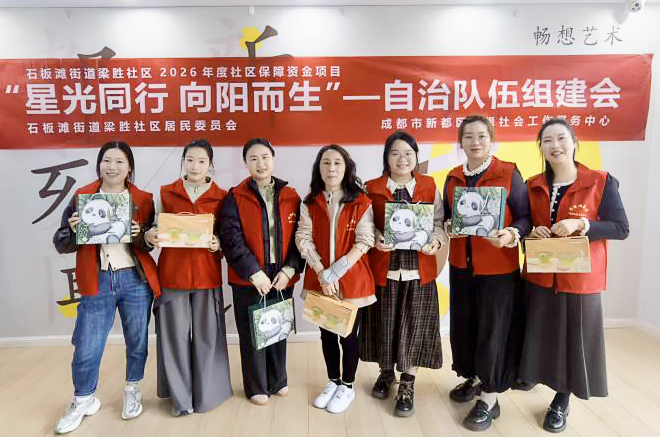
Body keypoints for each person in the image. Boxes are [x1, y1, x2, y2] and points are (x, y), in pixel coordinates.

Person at [519, 118, 629, 433]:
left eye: (561, 138)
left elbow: (621, 228)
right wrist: (532, 232)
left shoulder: (601, 181)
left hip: (580, 277)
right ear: (540, 147)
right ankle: (532, 376)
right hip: (541, 273)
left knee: (573, 340)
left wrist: (583, 225)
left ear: (574, 142)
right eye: (547, 140)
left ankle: (561, 400)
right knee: (540, 332)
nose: (555, 146)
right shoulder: (532, 184)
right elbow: (525, 223)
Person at [52, 141, 159, 434]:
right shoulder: (82, 196)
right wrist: (73, 230)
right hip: (97, 278)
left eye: (119, 161)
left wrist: (140, 235)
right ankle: (82, 399)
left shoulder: (143, 199)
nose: (112, 167)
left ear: (129, 167)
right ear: (99, 164)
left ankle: (132, 390)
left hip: (135, 280)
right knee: (87, 344)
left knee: (137, 341)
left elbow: (149, 243)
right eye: (106, 161)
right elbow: (61, 242)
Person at [443, 115, 531, 431]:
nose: (475, 142)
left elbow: (525, 217)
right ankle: (476, 378)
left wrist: (511, 233)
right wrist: (448, 227)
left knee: (493, 331)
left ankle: (490, 398)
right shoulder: (453, 177)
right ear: (461, 142)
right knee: (466, 327)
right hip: (462, 267)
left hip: (498, 269)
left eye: (481, 135)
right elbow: (449, 217)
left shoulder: (508, 173)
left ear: (491, 139)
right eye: (468, 136)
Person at [360, 131, 445, 417]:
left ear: (416, 157)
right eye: (395, 153)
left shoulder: (429, 185)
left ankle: (407, 382)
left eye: (408, 153)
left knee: (415, 328)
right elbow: (364, 224)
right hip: (384, 269)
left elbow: (439, 222)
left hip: (419, 272)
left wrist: (436, 241)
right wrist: (375, 237)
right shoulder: (371, 187)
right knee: (384, 325)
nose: (402, 159)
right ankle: (386, 373)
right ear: (386, 158)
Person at [145, 139, 232, 416]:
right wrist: (151, 234)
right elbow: (154, 227)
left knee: (208, 337)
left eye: (202, 161)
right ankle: (181, 400)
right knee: (174, 337)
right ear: (183, 161)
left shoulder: (222, 196)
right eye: (190, 160)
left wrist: (218, 243)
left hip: (207, 275)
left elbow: (228, 234)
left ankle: (207, 396)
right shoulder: (166, 192)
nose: (195, 166)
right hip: (172, 274)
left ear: (210, 164)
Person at [219, 138, 304, 405]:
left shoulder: (292, 196)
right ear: (246, 163)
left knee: (278, 328)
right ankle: (256, 386)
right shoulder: (235, 196)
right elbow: (231, 239)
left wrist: (289, 270)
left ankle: (278, 380)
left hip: (281, 277)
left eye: (265, 157)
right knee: (252, 334)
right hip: (249, 279)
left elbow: (300, 238)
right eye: (253, 158)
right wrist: (253, 272)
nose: (260, 163)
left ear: (273, 159)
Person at [295, 144, 376, 414]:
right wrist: (322, 273)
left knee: (348, 336)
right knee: (326, 334)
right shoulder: (310, 202)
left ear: (346, 167)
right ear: (318, 168)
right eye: (326, 163)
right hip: (320, 280)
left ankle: (348, 386)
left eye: (337, 163)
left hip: (352, 281)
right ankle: (333, 381)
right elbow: (303, 239)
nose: (331, 168)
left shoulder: (361, 201)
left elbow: (365, 240)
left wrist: (336, 271)